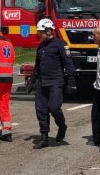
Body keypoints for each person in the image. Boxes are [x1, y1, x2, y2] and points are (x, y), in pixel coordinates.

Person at [29, 18, 76, 149]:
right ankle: (44, 137)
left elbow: (68, 63)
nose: (38, 34)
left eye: (40, 32)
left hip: (56, 82)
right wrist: (32, 81)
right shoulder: (40, 47)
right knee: (41, 110)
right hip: (42, 83)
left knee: (54, 108)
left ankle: (62, 126)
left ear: (49, 31)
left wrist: (71, 81)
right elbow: (37, 66)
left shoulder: (60, 44)